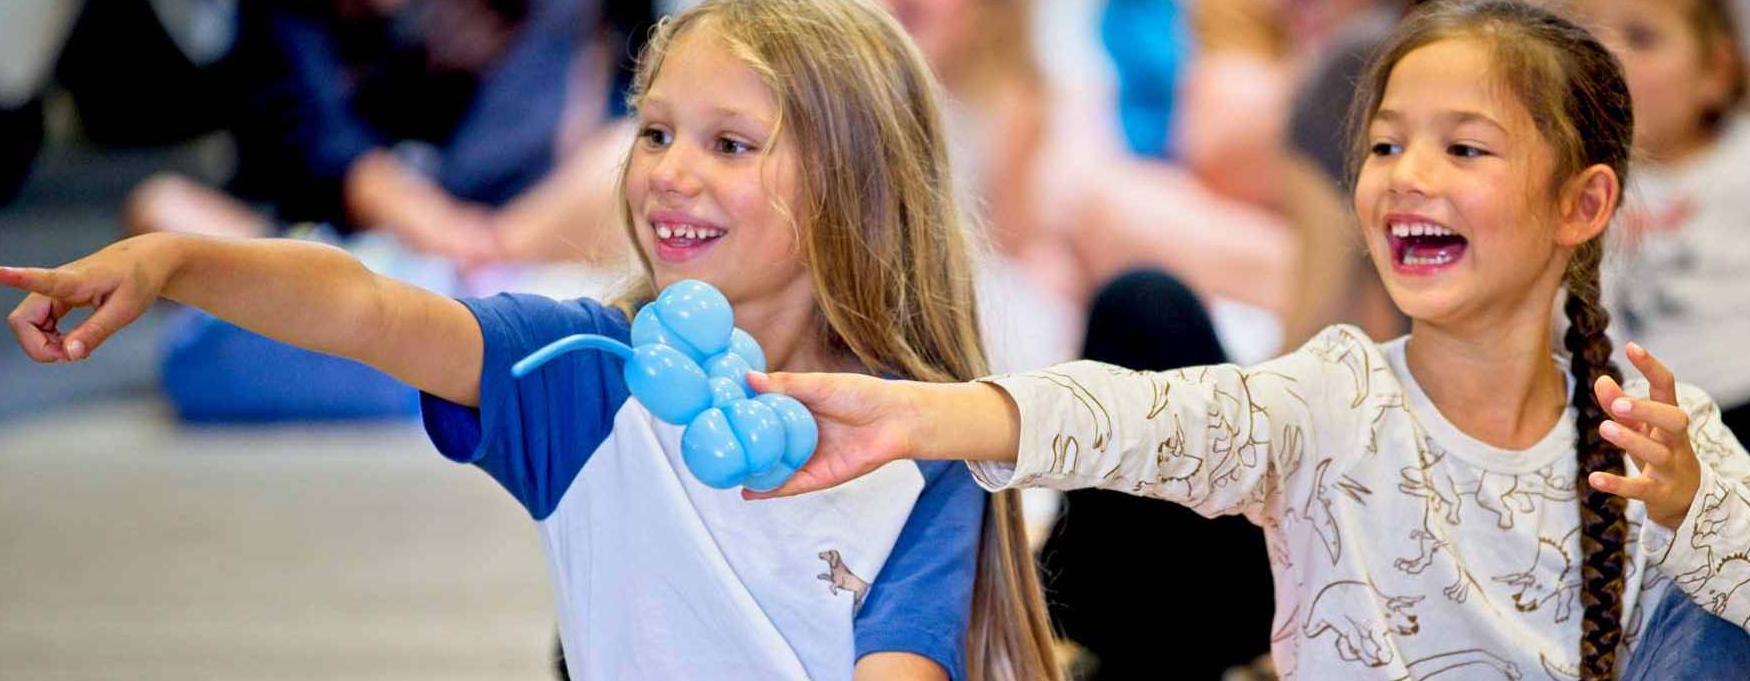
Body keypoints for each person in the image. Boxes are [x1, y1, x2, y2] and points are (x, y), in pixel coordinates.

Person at [0, 1, 1059, 679]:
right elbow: (365, 305)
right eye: (653, 130)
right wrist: (176, 263)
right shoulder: (583, 377)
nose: (669, 171)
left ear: (858, 191)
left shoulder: (927, 433)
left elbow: (903, 667)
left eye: (729, 143)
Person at [743, 3, 1750, 679]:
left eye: (1464, 148)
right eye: (1386, 145)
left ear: (1583, 203)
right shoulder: (1331, 397)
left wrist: (1694, 514)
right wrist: (918, 414)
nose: (1405, 175)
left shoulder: (1662, 435)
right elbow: (1129, 416)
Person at [1573, 0, 1750, 441]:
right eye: (1588, 37)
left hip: (1738, 400)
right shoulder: (1572, 181)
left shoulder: (1740, 162)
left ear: (1715, 72)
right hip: (1626, 415)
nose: (1607, 56)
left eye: (1641, 38)